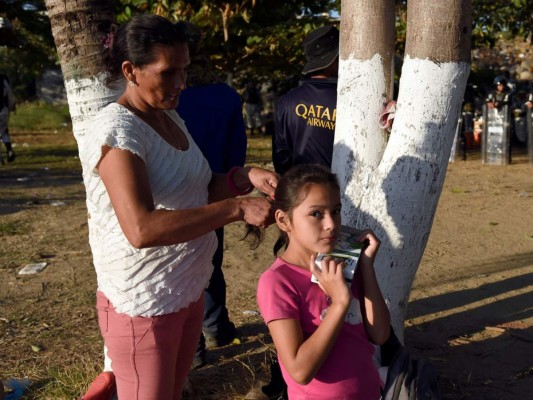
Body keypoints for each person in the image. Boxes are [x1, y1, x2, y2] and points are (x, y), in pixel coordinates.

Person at [78, 15, 278, 400]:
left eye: (184, 70)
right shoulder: (119, 132)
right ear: (130, 71)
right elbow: (142, 229)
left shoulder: (167, 115)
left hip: (185, 289)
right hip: (144, 301)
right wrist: (236, 208)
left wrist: (243, 176)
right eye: (168, 72)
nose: (181, 83)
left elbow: (197, 187)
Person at [256, 164, 390, 399]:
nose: (331, 224)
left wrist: (366, 267)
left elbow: (379, 334)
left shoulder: (343, 264)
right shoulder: (277, 282)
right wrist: (339, 303)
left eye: (335, 211)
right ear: (284, 220)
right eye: (316, 213)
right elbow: (299, 370)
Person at [176, 21, 246, 369]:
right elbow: (237, 156)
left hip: (173, 194)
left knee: (180, 268)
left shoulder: (165, 95)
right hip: (215, 192)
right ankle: (217, 328)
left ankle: (195, 349)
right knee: (210, 262)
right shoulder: (226, 97)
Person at [272, 25, 339, 174]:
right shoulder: (347, 101)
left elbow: (281, 154)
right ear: (335, 60)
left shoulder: (287, 100)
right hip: (338, 191)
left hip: (299, 188)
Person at [0, 73, 16, 163]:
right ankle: (9, 150)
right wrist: (10, 108)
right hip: (3, 110)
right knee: (4, 131)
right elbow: (9, 95)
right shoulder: (2, 79)